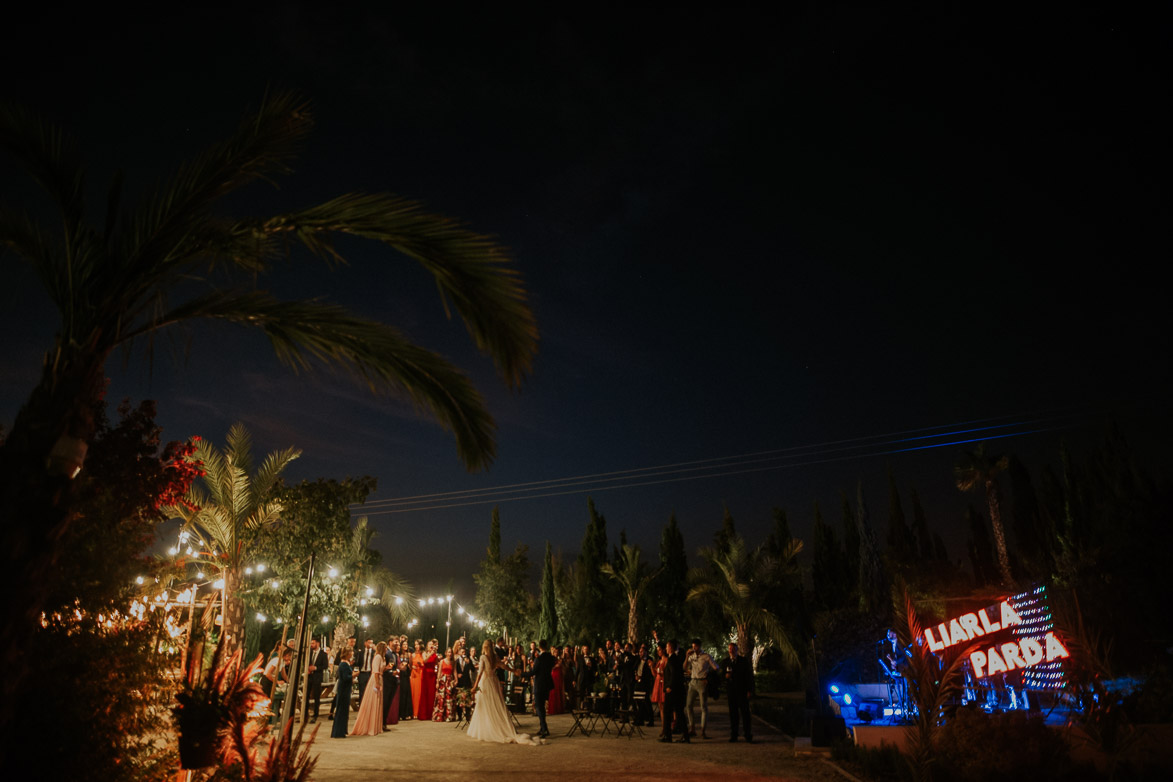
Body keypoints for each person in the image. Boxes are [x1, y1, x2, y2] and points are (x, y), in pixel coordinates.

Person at [467, 640, 541, 744]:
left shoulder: (483, 657)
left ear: (485, 647)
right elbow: (504, 666)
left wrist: (474, 686)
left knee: (485, 704)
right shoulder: (495, 657)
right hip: (494, 682)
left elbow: (480, 674)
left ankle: (488, 728)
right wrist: (514, 671)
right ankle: (496, 725)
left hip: (485, 682)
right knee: (495, 704)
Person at [684, 638, 718, 739]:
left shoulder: (706, 656)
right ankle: (692, 728)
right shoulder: (692, 656)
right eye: (692, 646)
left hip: (702, 682)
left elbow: (716, 667)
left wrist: (708, 677)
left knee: (703, 706)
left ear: (699, 646)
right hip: (693, 682)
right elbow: (684, 667)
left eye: (695, 646)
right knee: (688, 705)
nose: (693, 648)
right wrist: (687, 656)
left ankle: (703, 730)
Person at [721, 642, 755, 742]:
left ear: (737, 650)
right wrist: (725, 677)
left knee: (745, 714)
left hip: (742, 690)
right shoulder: (726, 662)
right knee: (733, 714)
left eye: (733, 649)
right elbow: (722, 676)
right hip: (731, 691)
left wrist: (749, 690)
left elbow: (748, 676)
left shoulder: (743, 661)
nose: (731, 650)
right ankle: (734, 734)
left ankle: (748, 734)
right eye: (730, 649)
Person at [352, 641, 386, 735]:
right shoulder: (378, 657)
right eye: (385, 648)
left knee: (378, 701)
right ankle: (370, 725)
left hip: (380, 678)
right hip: (375, 680)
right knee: (374, 700)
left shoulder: (382, 658)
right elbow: (375, 671)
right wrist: (377, 683)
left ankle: (376, 725)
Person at [660, 639, 687, 743]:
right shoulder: (676, 659)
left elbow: (674, 673)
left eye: (667, 647)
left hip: (672, 691)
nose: (666, 649)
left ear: (670, 648)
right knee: (679, 713)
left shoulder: (671, 660)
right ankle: (685, 735)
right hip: (678, 691)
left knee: (667, 712)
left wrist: (669, 686)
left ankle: (668, 735)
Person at [530, 639, 556, 738]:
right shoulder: (550, 658)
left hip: (539, 685)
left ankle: (544, 729)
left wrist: (521, 674)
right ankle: (542, 728)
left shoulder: (539, 659)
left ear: (539, 647)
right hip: (547, 684)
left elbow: (533, 672)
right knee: (542, 707)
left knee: (539, 708)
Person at [330, 648, 353, 738]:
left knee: (344, 710)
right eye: (351, 652)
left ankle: (343, 730)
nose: (352, 654)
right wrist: (353, 675)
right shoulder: (343, 664)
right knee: (341, 710)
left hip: (345, 689)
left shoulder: (346, 663)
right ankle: (339, 732)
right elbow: (345, 677)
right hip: (343, 689)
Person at [306, 638, 329, 722]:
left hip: (317, 677)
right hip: (309, 676)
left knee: (316, 696)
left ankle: (315, 714)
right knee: (306, 695)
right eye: (311, 643)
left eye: (313, 643)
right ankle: (305, 714)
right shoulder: (309, 653)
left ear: (318, 643)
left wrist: (315, 668)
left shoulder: (323, 654)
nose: (311, 645)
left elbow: (325, 666)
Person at [432, 647, 457, 721]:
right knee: (441, 698)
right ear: (446, 653)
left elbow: (454, 671)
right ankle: (440, 716)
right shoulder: (442, 661)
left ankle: (449, 716)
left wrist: (456, 680)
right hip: (442, 681)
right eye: (448, 652)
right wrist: (437, 682)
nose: (450, 654)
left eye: (451, 652)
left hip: (450, 681)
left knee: (449, 698)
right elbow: (439, 672)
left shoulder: (453, 662)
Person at [417, 640, 439, 720]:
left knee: (431, 693)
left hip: (432, 674)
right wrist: (431, 654)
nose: (431, 645)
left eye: (432, 644)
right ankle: (423, 714)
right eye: (430, 644)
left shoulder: (435, 655)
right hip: (426, 674)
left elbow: (437, 664)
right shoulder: (425, 653)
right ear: (427, 646)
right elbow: (425, 661)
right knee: (425, 693)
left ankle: (431, 714)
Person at [383, 639, 400, 728]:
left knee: (389, 702)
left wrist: (398, 670)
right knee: (385, 702)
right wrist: (391, 673)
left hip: (393, 681)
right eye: (395, 642)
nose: (397, 644)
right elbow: (383, 667)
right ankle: (382, 723)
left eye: (397, 642)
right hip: (387, 681)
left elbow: (394, 666)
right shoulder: (387, 653)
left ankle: (384, 722)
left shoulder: (395, 654)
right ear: (390, 642)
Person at [651, 642, 667, 730]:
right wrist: (651, 667)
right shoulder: (659, 661)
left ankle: (667, 725)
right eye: (657, 651)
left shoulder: (666, 660)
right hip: (658, 682)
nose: (658, 652)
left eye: (660, 650)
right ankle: (663, 726)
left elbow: (664, 672)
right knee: (660, 705)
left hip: (663, 682)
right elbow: (655, 673)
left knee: (664, 705)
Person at [409, 639, 425, 719]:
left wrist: (421, 665)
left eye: (417, 644)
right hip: (414, 674)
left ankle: (419, 712)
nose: (416, 646)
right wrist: (412, 667)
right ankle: (413, 712)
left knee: (419, 693)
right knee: (413, 693)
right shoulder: (413, 654)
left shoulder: (423, 654)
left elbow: (425, 664)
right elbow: (410, 665)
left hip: (421, 673)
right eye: (415, 645)